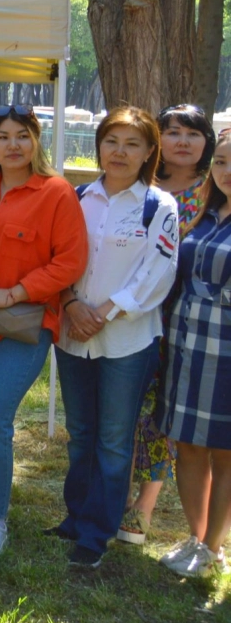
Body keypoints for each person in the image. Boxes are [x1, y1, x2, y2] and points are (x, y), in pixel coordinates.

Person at [0, 105, 86, 558]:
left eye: (22, 136)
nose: (12, 145)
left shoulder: (57, 192)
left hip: (21, 327)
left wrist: (16, 292)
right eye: (3, 137)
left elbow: (69, 262)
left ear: (36, 141)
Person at [49, 106, 178, 568]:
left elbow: (157, 273)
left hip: (127, 339)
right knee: (81, 433)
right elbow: (57, 255)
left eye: (132, 144)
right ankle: (75, 516)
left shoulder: (158, 206)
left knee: (113, 439)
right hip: (73, 333)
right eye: (111, 141)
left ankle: (97, 533)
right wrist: (70, 305)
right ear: (98, 145)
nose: (119, 152)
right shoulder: (77, 196)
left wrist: (104, 311)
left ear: (148, 153)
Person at [120, 102, 215, 545]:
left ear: (205, 143)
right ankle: (113, 493)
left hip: (189, 325)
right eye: (172, 132)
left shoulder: (214, 192)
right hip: (131, 314)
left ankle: (144, 505)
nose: (181, 141)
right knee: (126, 409)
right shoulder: (138, 185)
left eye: (192, 133)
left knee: (163, 414)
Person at [160, 130, 231, 577]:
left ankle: (214, 547)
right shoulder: (206, 214)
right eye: (222, 162)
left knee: (224, 451)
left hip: (227, 348)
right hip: (186, 342)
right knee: (186, 445)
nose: (227, 171)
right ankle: (196, 538)